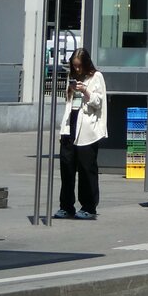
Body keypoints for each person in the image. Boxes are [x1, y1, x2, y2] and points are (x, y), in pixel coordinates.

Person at [55, 48, 107, 219]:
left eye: (79, 66)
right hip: (70, 125)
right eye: (74, 66)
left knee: (86, 169)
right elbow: (68, 102)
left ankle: (89, 207)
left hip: (87, 128)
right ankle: (66, 205)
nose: (77, 70)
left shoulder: (96, 77)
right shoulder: (72, 77)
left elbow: (98, 102)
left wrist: (85, 90)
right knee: (67, 168)